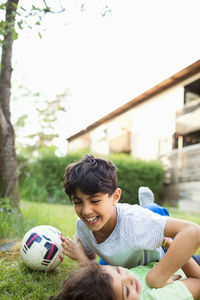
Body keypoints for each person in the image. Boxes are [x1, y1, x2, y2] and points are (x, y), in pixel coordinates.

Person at [63, 154, 200, 288]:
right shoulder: (83, 227)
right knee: (107, 270)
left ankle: (149, 206)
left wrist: (157, 278)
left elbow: (193, 231)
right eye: (77, 202)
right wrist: (80, 256)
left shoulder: (136, 221)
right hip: (122, 261)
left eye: (95, 201)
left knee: (153, 211)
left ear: (115, 196)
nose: (86, 211)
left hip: (158, 253)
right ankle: (147, 206)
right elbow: (93, 269)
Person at [49, 238, 200, 300]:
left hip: (160, 262)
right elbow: (197, 280)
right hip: (189, 267)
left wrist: (80, 257)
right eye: (126, 291)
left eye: (118, 270)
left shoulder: (110, 284)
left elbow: (97, 272)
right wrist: (171, 246)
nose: (129, 277)